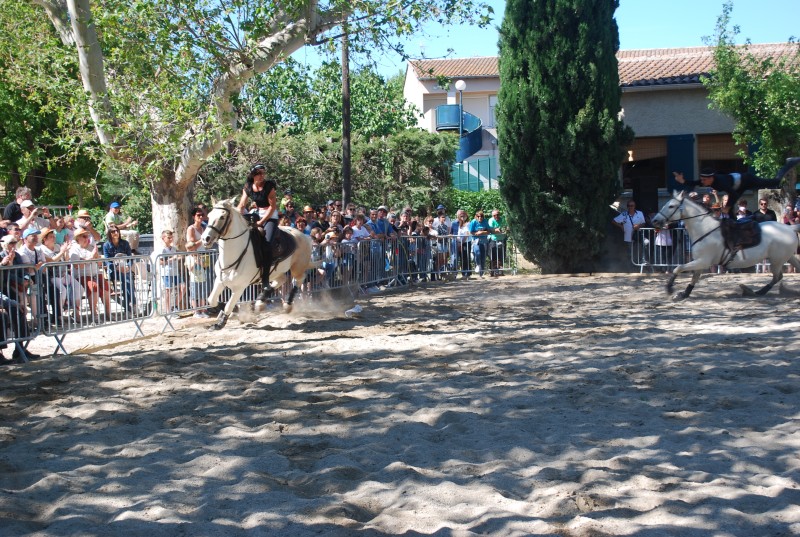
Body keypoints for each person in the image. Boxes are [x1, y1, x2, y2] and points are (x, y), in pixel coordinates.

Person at [672, 159, 800, 212]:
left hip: (746, 180)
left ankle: (790, 163)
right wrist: (683, 181)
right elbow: (694, 183)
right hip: (737, 186)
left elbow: (732, 194)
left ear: (710, 178)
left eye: (704, 180)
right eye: (702, 180)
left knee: (775, 183)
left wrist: (726, 207)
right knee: (729, 208)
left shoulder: (720, 182)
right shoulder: (707, 180)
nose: (702, 182)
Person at [237, 163, 279, 302]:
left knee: (267, 244)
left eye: (263, 173)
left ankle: (266, 280)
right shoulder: (248, 186)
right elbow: (242, 204)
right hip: (255, 214)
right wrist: (236, 215)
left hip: (269, 215)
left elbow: (272, 207)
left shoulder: (269, 186)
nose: (262, 175)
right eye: (259, 173)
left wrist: (261, 222)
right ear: (253, 174)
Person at [69, 227, 111, 324]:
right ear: (78, 238)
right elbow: (77, 266)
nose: (87, 238)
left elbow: (100, 264)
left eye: (87, 236)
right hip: (81, 275)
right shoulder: (74, 250)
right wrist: (91, 257)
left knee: (106, 287)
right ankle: (94, 314)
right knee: (93, 287)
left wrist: (97, 257)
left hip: (95, 273)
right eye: (84, 236)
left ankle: (108, 313)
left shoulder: (91, 247)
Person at [102, 225, 137, 315]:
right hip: (114, 271)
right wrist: (116, 267)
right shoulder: (106, 245)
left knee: (127, 281)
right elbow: (107, 261)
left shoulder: (125, 243)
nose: (116, 233)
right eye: (113, 231)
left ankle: (129, 308)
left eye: (117, 231)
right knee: (128, 280)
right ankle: (133, 304)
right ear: (109, 234)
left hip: (126, 269)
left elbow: (130, 258)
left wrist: (128, 266)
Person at [185, 208, 210, 318]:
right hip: (194, 257)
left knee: (204, 284)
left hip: (203, 257)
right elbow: (191, 245)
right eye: (198, 215)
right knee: (195, 285)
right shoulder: (191, 229)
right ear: (193, 216)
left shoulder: (203, 228)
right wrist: (202, 239)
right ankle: (196, 311)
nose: (200, 217)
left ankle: (203, 309)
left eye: (202, 215)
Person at [153, 229, 185, 314]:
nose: (171, 239)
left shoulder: (173, 249)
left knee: (183, 287)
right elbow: (160, 262)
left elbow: (178, 256)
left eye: (171, 237)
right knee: (168, 290)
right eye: (169, 237)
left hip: (175, 272)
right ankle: (168, 310)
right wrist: (171, 259)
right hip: (167, 273)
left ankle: (175, 306)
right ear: (163, 238)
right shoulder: (162, 250)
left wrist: (179, 257)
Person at [468, 211, 492, 278]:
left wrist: (482, 232)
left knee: (483, 257)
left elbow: (489, 231)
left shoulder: (485, 221)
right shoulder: (473, 222)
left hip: (484, 241)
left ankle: (481, 274)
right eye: (478, 216)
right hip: (476, 240)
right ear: (476, 217)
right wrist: (476, 233)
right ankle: (478, 265)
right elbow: (471, 232)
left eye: (481, 216)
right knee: (477, 253)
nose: (480, 218)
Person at [487, 209, 507, 276]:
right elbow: (490, 230)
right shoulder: (491, 220)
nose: (496, 216)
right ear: (492, 215)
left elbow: (505, 227)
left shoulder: (503, 219)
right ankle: (492, 271)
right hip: (493, 240)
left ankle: (501, 271)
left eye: (498, 214)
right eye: (494, 215)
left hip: (502, 239)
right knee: (493, 256)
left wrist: (499, 230)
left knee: (502, 255)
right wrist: (496, 230)